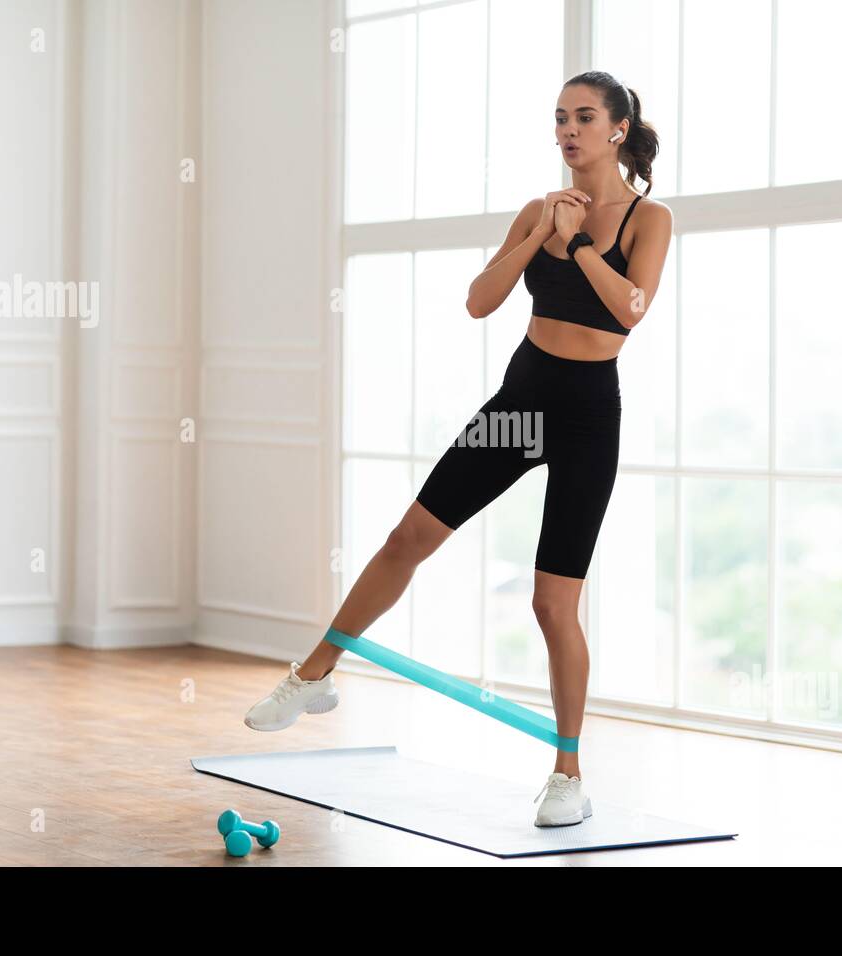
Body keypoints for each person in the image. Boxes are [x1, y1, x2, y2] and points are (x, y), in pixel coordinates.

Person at [245, 70, 673, 828]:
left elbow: (631, 311)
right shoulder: (540, 210)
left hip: (586, 418)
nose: (567, 130)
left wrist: (578, 250)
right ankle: (313, 673)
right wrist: (544, 234)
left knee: (552, 604)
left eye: (582, 117)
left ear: (616, 130)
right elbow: (480, 301)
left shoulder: (650, 218)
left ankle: (567, 774)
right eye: (559, 119)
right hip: (522, 402)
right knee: (408, 536)